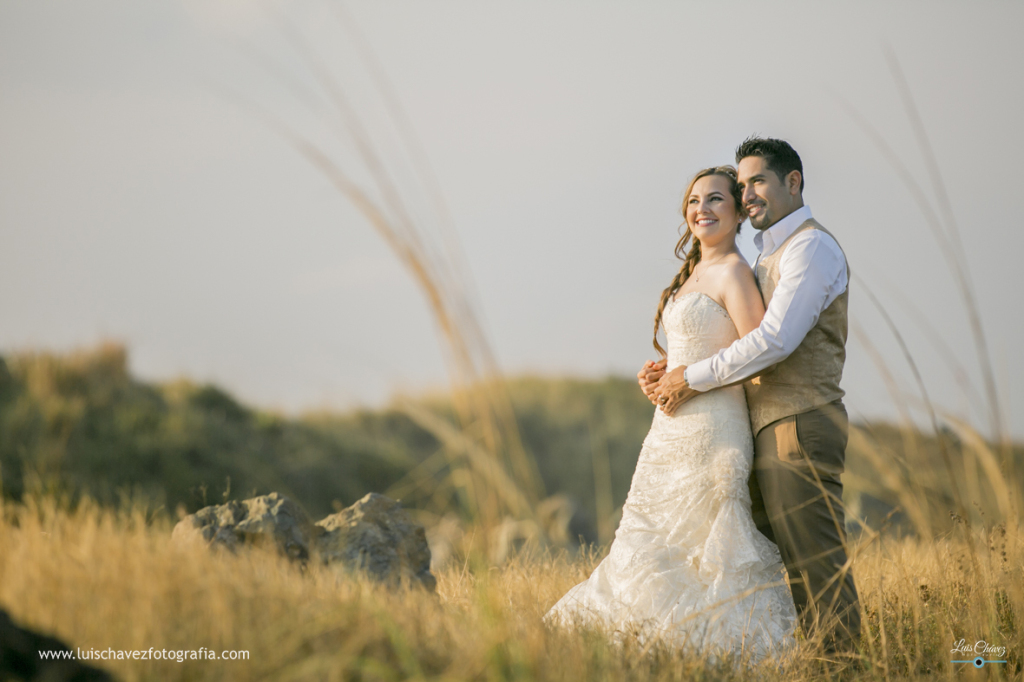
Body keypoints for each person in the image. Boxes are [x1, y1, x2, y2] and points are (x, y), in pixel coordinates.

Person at [545, 165, 797, 663]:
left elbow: (757, 362)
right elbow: (697, 349)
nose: (702, 209)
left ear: (737, 213)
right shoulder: (694, 275)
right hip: (668, 434)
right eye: (694, 201)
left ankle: (719, 653)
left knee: (707, 552)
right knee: (649, 543)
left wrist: (692, 376)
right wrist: (659, 378)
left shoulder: (735, 273)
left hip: (713, 433)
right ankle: (645, 649)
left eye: (716, 200)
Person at [642, 137, 861, 654]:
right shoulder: (766, 254)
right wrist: (670, 370)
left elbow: (775, 341)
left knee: (815, 559)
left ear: (793, 181)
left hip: (799, 421)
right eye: (742, 186)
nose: (748, 194)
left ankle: (845, 664)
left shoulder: (811, 247)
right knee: (758, 560)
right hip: (754, 428)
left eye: (757, 181)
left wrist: (688, 377)